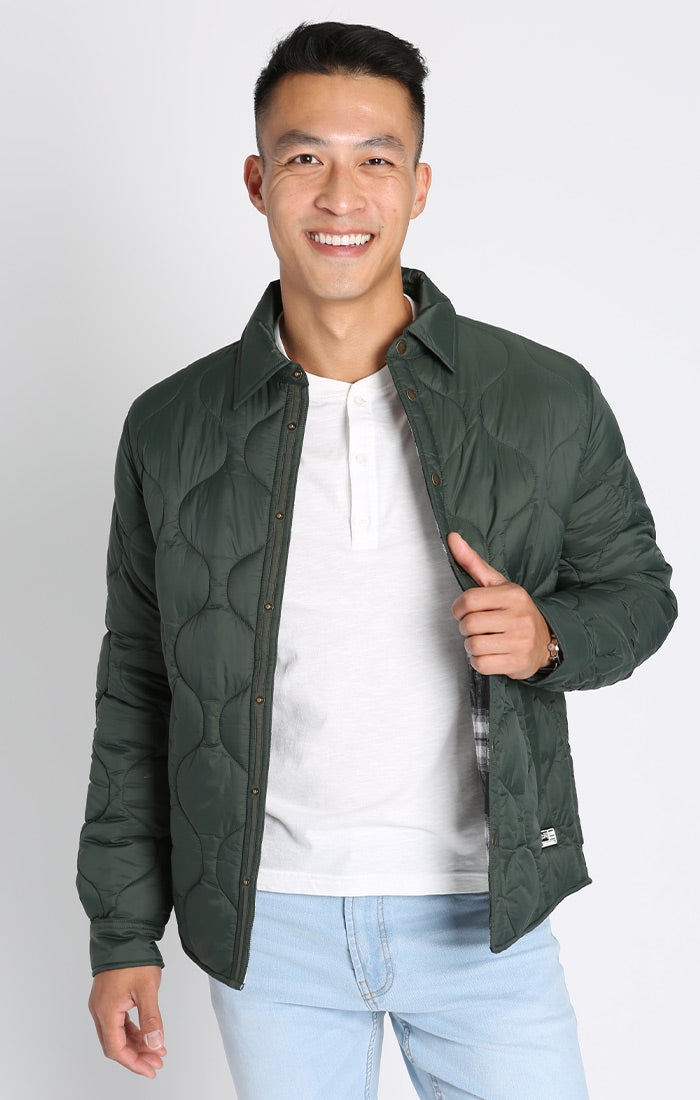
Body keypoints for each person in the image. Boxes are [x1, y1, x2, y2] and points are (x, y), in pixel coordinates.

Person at [77, 21, 677, 1099]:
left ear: (419, 185)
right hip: (268, 924)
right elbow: (137, 685)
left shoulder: (544, 398)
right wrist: (123, 930)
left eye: (376, 160)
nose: (340, 195)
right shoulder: (170, 427)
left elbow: (640, 593)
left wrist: (549, 637)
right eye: (306, 157)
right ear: (258, 182)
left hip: (482, 916)